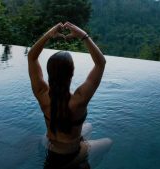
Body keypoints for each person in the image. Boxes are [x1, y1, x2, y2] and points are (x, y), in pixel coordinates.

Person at [28, 22, 112, 169]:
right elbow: (101, 63)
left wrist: (49, 34)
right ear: (72, 73)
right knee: (108, 142)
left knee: (89, 127)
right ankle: (75, 163)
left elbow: (32, 57)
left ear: (49, 73)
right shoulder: (79, 99)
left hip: (50, 147)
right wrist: (83, 35)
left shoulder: (42, 93)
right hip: (70, 155)